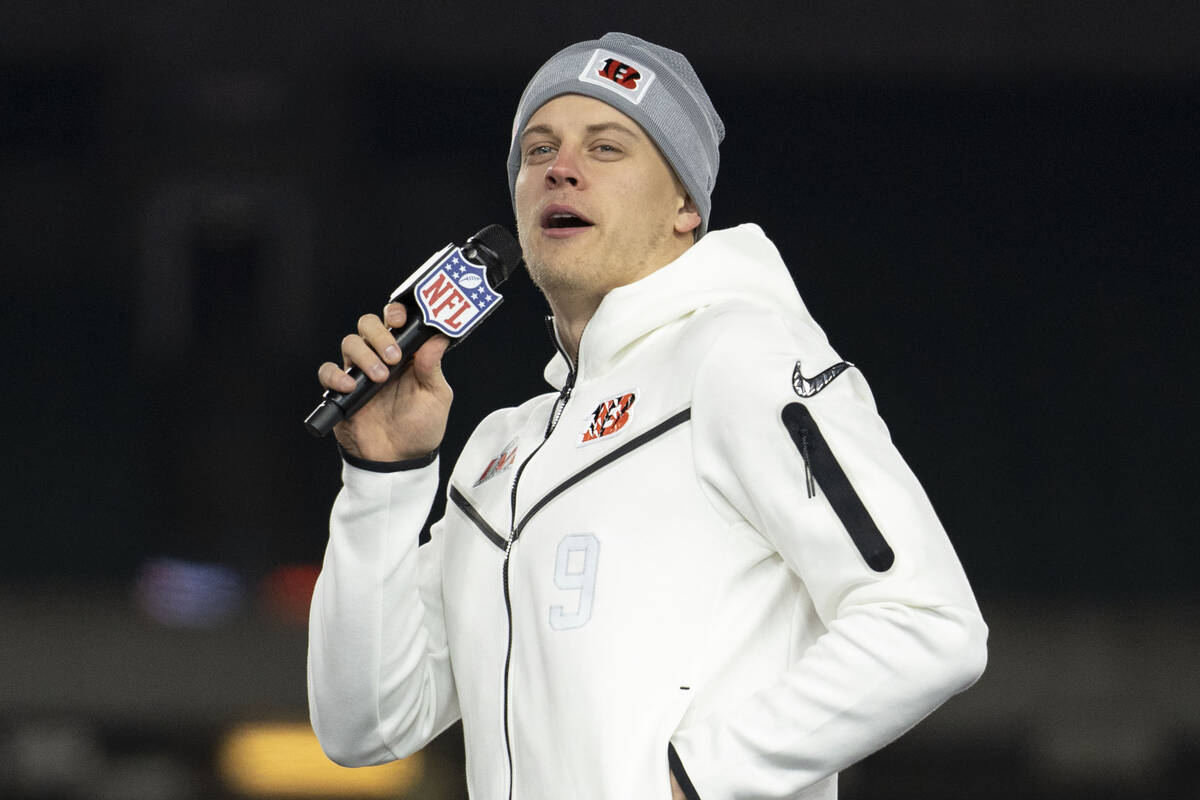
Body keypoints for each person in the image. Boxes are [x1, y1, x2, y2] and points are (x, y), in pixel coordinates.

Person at [307, 32, 988, 800]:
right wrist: (382, 480)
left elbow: (928, 623)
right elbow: (365, 725)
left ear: (685, 206)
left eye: (607, 147)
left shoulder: (739, 356)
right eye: (537, 151)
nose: (560, 167)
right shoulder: (502, 448)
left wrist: (691, 780)